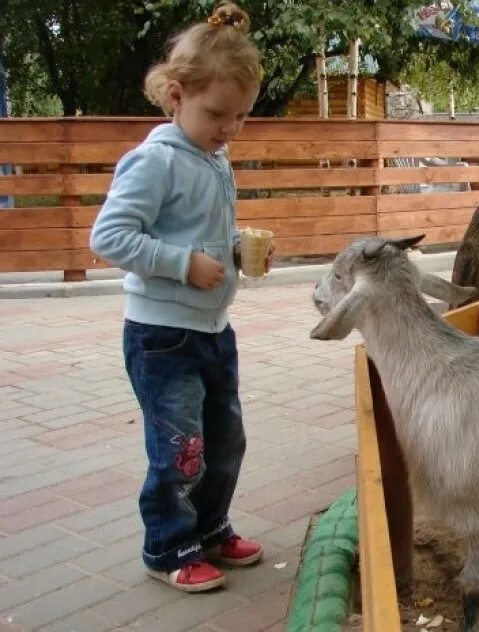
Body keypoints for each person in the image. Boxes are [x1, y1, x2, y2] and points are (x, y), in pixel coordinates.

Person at [90, 3, 272, 593]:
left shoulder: (214, 158)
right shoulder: (156, 160)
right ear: (175, 97)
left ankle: (211, 528)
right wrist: (181, 264)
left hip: (213, 328)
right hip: (162, 336)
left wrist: (236, 250)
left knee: (224, 440)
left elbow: (200, 231)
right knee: (180, 447)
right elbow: (109, 237)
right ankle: (167, 547)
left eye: (241, 117)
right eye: (218, 114)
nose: (230, 129)